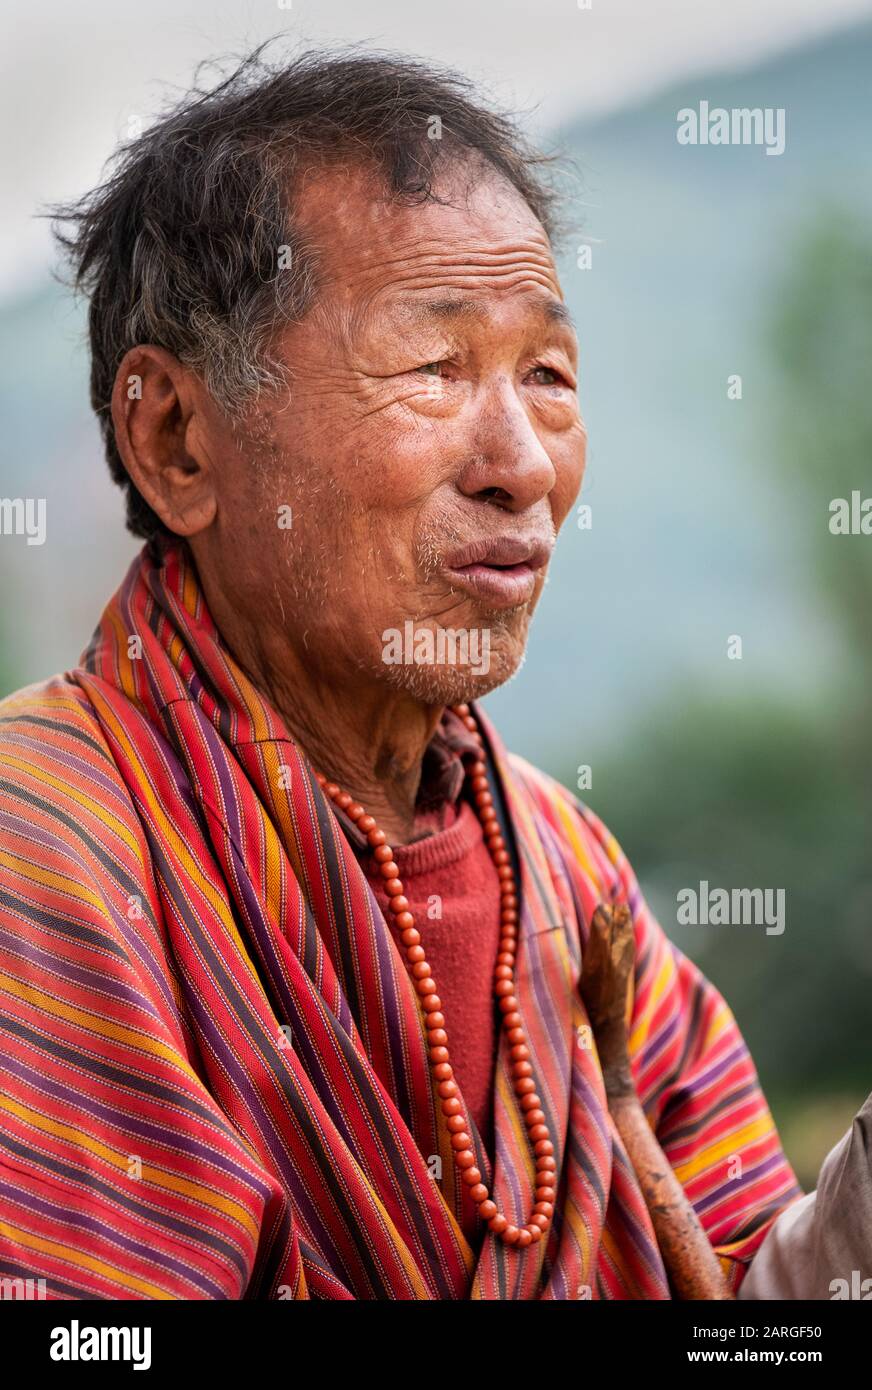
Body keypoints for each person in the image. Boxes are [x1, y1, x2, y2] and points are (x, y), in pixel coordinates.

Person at [0, 48, 809, 1300]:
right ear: (174, 439)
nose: (521, 465)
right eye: (433, 369)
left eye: (545, 374)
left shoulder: (563, 870)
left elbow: (762, 1298)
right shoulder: (44, 848)